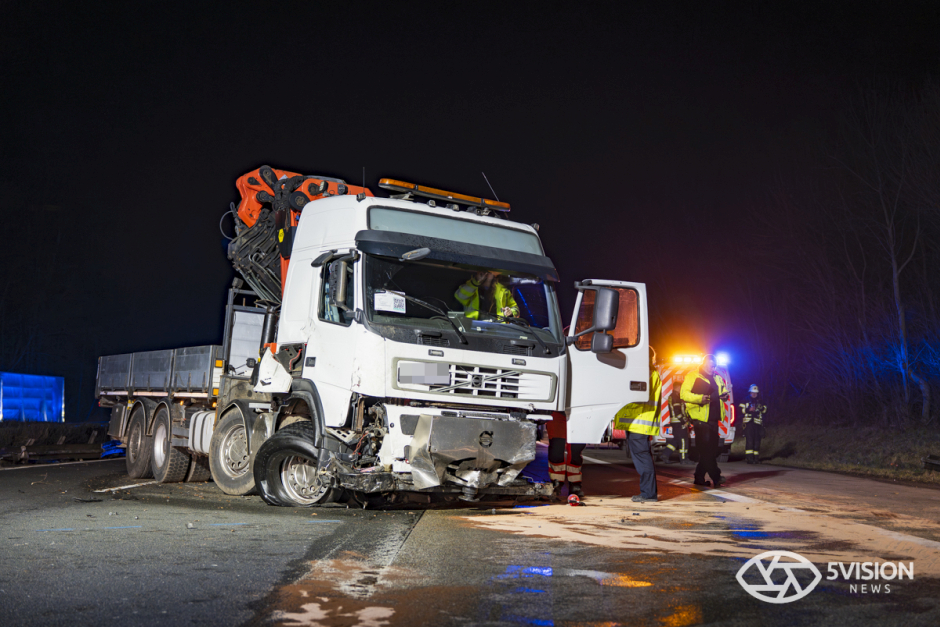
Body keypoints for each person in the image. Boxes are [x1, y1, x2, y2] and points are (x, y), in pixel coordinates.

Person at [613, 348, 661, 502]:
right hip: (638, 422)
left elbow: (637, 396)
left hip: (638, 422)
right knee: (643, 457)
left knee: (642, 458)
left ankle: (648, 494)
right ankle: (648, 493)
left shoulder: (644, 372)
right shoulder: (649, 372)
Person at [680, 354, 729, 488]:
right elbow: (683, 394)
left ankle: (699, 477)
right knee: (706, 450)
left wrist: (725, 396)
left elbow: (723, 391)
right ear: (703, 364)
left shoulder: (718, 378)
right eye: (709, 365)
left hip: (714, 419)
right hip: (701, 419)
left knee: (710, 451)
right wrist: (700, 398)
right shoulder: (693, 376)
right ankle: (716, 477)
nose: (711, 368)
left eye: (713, 366)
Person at [546, 411, 585, 498]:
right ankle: (556, 484)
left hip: (580, 412)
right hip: (557, 411)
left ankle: (575, 485)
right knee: (556, 448)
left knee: (576, 449)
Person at [454, 271, 520, 320]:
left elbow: (516, 309)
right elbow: (459, 297)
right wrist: (476, 281)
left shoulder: (503, 291)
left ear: (495, 274)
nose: (487, 273)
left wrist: (511, 312)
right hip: (473, 328)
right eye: (484, 270)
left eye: (490, 271)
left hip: (497, 329)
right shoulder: (470, 286)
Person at [662, 390, 692, 465]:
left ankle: (665, 455)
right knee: (683, 440)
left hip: (676, 423)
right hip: (679, 423)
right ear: (678, 387)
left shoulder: (673, 396)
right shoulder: (676, 397)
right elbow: (677, 411)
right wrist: (684, 421)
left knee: (676, 440)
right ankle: (683, 459)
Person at [739, 384, 767, 464]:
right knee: (750, 441)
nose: (754, 394)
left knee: (757, 441)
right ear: (750, 392)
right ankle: (749, 458)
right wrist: (748, 410)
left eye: (755, 393)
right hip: (748, 423)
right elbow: (740, 409)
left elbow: (766, 410)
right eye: (752, 392)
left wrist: (761, 408)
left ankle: (756, 458)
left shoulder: (761, 401)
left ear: (757, 393)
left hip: (758, 423)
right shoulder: (745, 400)